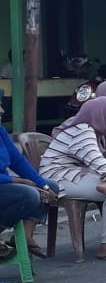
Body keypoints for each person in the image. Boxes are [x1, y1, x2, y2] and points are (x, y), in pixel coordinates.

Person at [40, 97, 106, 261]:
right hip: (57, 180)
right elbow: (96, 160)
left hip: (74, 174)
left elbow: (99, 159)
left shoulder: (85, 128)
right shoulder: (81, 130)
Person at [0, 100, 59, 260]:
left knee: (51, 187)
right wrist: (17, 181)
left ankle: (24, 236)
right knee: (30, 195)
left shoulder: (1, 132)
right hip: (3, 184)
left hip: (5, 184)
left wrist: (44, 186)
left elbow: (18, 161)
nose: (1, 111)